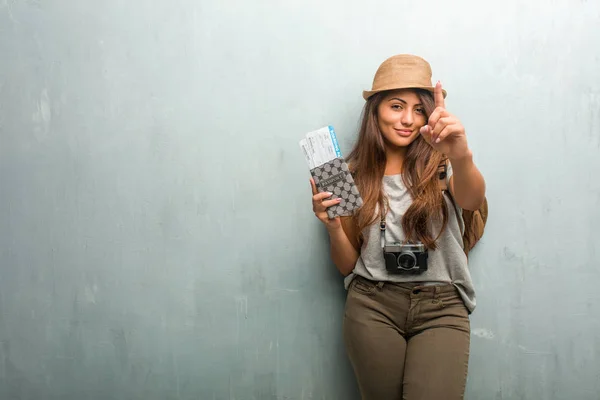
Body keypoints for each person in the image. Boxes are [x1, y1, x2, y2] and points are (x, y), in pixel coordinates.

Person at [309, 54, 486, 400]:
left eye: (418, 109)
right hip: (372, 305)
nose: (407, 119)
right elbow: (348, 265)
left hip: (442, 306)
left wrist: (460, 155)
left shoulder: (443, 159)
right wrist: (331, 227)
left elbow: (472, 200)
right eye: (395, 106)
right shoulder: (349, 173)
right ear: (375, 111)